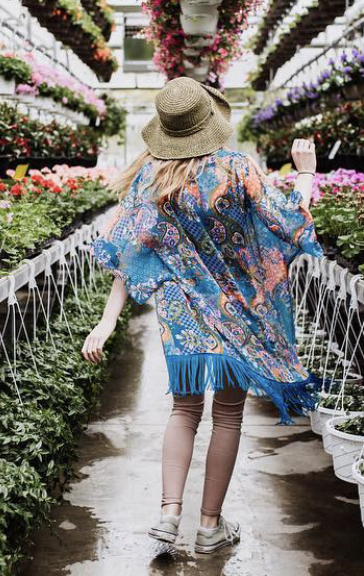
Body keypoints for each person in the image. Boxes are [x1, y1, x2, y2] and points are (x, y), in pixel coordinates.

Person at [83, 76, 323, 554]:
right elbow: (288, 223)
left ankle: (169, 514)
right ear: (209, 122)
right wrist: (306, 174)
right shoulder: (236, 167)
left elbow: (129, 254)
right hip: (238, 309)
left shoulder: (151, 178)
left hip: (180, 310)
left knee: (184, 410)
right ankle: (209, 526)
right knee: (228, 415)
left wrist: (108, 320)